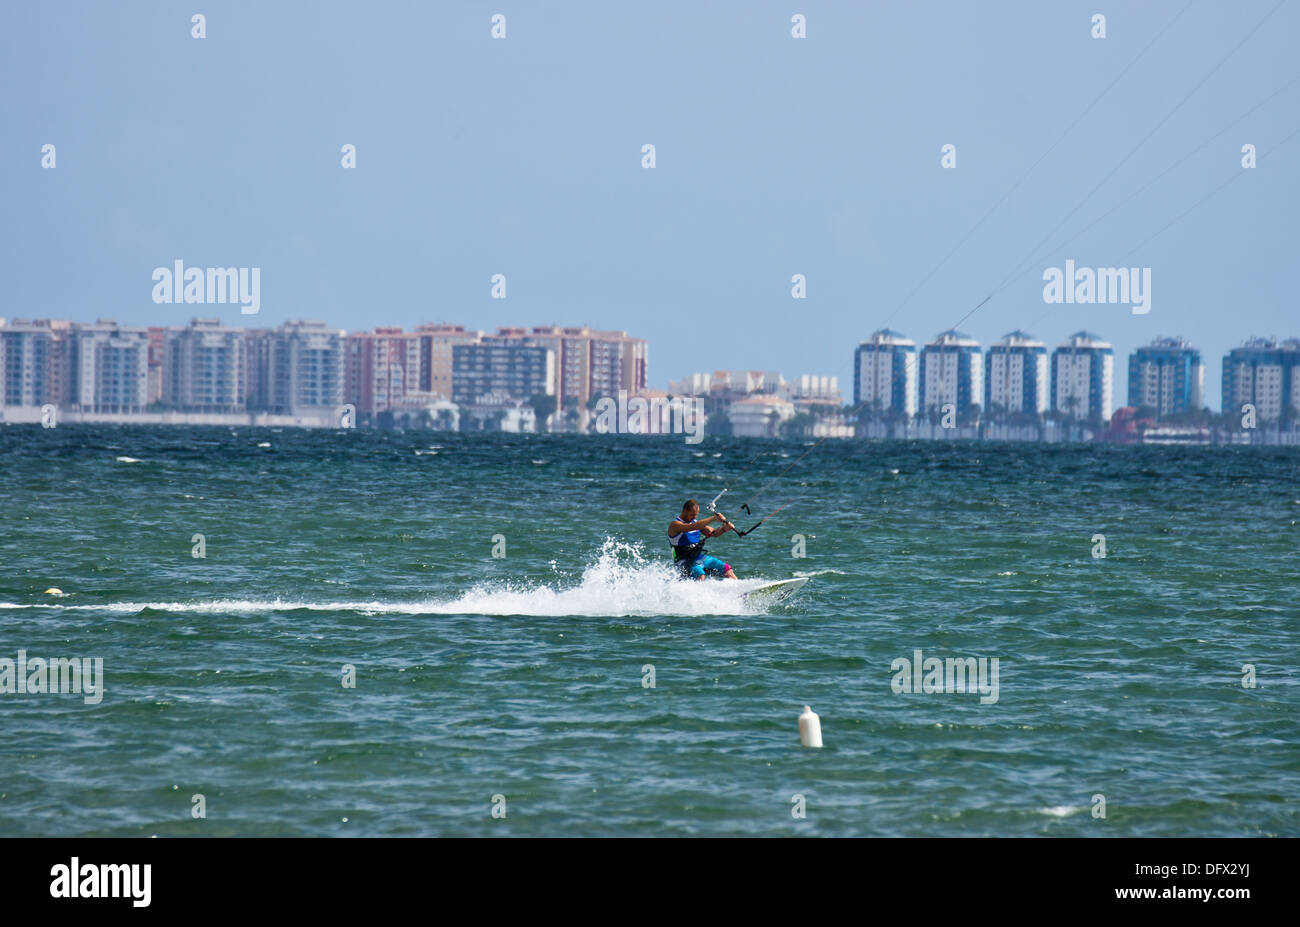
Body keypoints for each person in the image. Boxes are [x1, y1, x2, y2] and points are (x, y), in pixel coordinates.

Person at [668, 499, 738, 580]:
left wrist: (724, 529)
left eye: (696, 515)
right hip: (684, 563)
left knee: (727, 569)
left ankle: (739, 590)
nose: (694, 517)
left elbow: (714, 533)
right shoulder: (674, 525)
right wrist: (714, 518)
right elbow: (690, 527)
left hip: (699, 558)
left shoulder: (695, 522)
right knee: (700, 575)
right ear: (685, 511)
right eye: (692, 514)